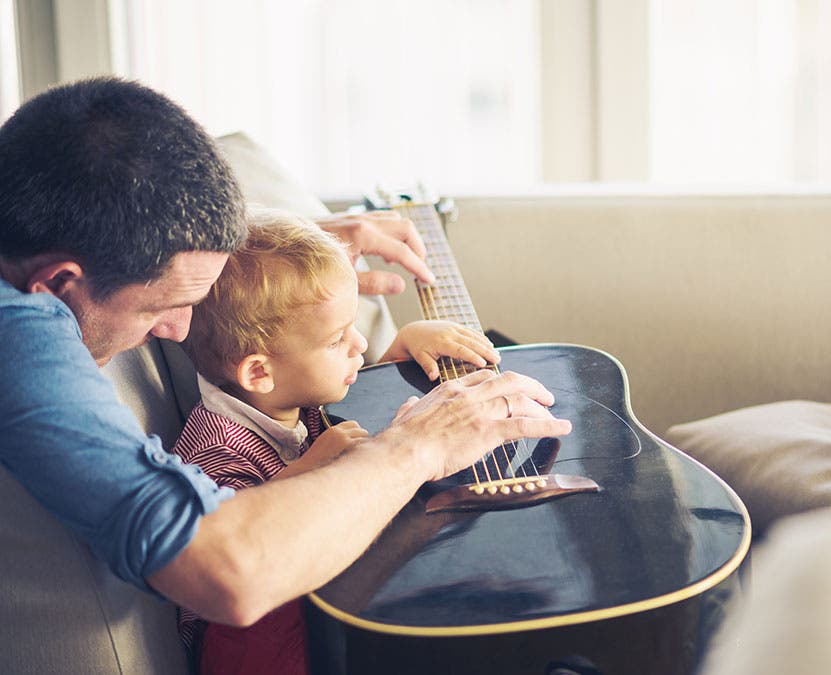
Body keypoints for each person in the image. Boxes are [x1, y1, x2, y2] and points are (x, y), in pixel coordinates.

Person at [0, 74, 570, 645]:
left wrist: (285, 265)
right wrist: (419, 444)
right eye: (169, 305)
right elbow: (226, 572)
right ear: (57, 282)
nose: (176, 331)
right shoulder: (17, 338)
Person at [170, 208, 500, 673]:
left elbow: (352, 420)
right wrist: (310, 469)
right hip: (262, 644)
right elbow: (237, 558)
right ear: (259, 372)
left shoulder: (291, 392)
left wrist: (399, 352)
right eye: (336, 340)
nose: (360, 345)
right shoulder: (213, 451)